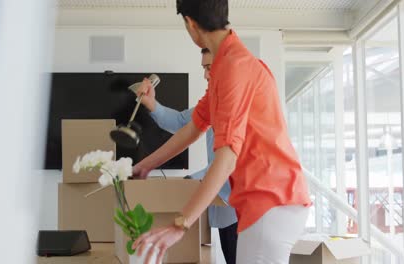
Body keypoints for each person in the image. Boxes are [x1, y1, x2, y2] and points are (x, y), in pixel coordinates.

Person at [132, 0, 312, 263]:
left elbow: (226, 157)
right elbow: (193, 126)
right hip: (269, 202)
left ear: (191, 24)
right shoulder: (225, 68)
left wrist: (179, 225)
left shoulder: (234, 68)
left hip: (270, 201)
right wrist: (146, 165)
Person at [136, 48, 238, 264]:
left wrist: (193, 180)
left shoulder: (238, 106)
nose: (205, 75)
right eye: (204, 68)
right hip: (224, 208)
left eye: (209, 68)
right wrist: (151, 104)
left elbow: (230, 161)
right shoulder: (212, 102)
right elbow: (182, 123)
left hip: (244, 207)